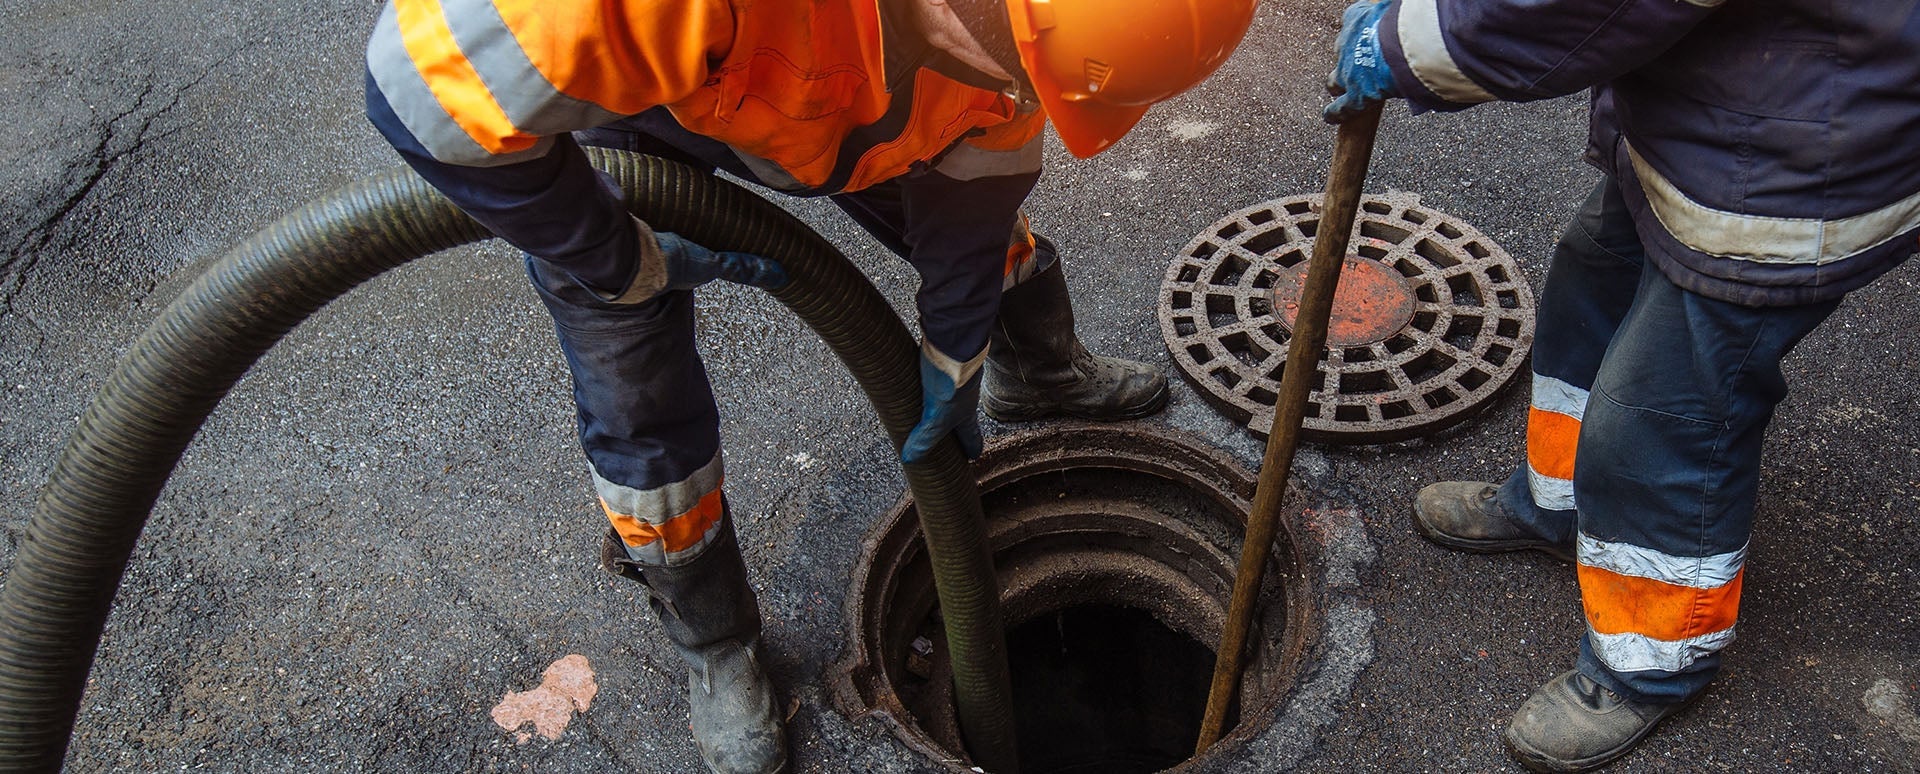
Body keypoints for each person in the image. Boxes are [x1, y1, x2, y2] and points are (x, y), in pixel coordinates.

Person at [363, 0, 1255, 771]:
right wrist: (616, 255)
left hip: (841, 108)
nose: (1026, 99)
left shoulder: (1017, 47)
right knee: (635, 388)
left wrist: (954, 354)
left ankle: (1040, 372)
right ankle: (715, 640)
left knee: (978, 229)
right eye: (1026, 76)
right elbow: (415, 92)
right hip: (647, 112)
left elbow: (981, 177)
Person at [1325, 0, 1920, 770]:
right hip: (1714, 109)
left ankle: (1653, 660)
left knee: (1666, 414)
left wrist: (1418, 40)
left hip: (1793, 161)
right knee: (1589, 287)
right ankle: (1557, 502)